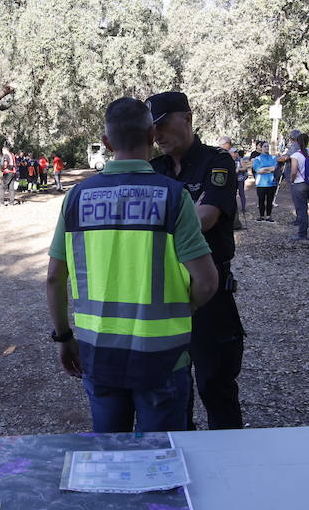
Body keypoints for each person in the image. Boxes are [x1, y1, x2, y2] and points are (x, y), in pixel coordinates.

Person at [47, 97, 218, 433]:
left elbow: (54, 277)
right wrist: (184, 307)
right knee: (163, 458)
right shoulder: (173, 196)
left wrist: (64, 337)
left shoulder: (76, 198)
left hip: (99, 354)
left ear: (107, 142)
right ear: (152, 134)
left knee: (111, 454)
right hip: (163, 357)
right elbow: (208, 282)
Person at [147, 91, 246, 430]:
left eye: (161, 125)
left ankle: (229, 461)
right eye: (150, 128)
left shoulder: (216, 161)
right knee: (173, 391)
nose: (156, 134)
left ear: (187, 118)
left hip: (210, 291)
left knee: (215, 385)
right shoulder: (152, 168)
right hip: (166, 294)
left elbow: (206, 218)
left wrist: (159, 219)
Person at [278, 133, 309, 241]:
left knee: (302, 209)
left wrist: (292, 181)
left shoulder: (296, 155)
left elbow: (293, 171)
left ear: (297, 142)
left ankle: (302, 234)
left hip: (299, 184)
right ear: (308, 142)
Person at [251, 143, 278, 221]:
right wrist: (268, 169)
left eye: (267, 146)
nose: (266, 148)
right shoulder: (257, 159)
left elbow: (274, 168)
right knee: (261, 200)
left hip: (271, 183)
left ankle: (269, 216)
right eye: (265, 146)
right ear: (261, 148)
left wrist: (264, 168)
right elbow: (258, 170)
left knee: (270, 200)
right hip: (260, 183)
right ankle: (261, 216)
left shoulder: (273, 158)